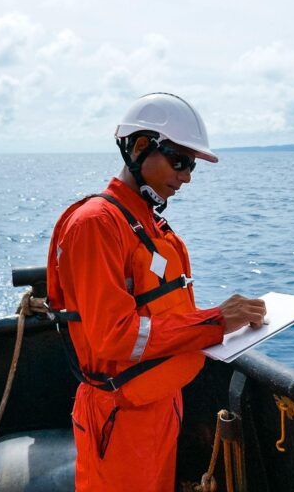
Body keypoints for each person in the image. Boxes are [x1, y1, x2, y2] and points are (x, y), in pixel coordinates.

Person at [46, 92, 266, 491]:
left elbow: (163, 318)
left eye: (192, 165)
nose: (186, 176)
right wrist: (216, 321)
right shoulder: (96, 225)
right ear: (141, 147)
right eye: (179, 161)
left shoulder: (147, 224)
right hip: (120, 418)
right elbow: (114, 337)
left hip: (161, 407)